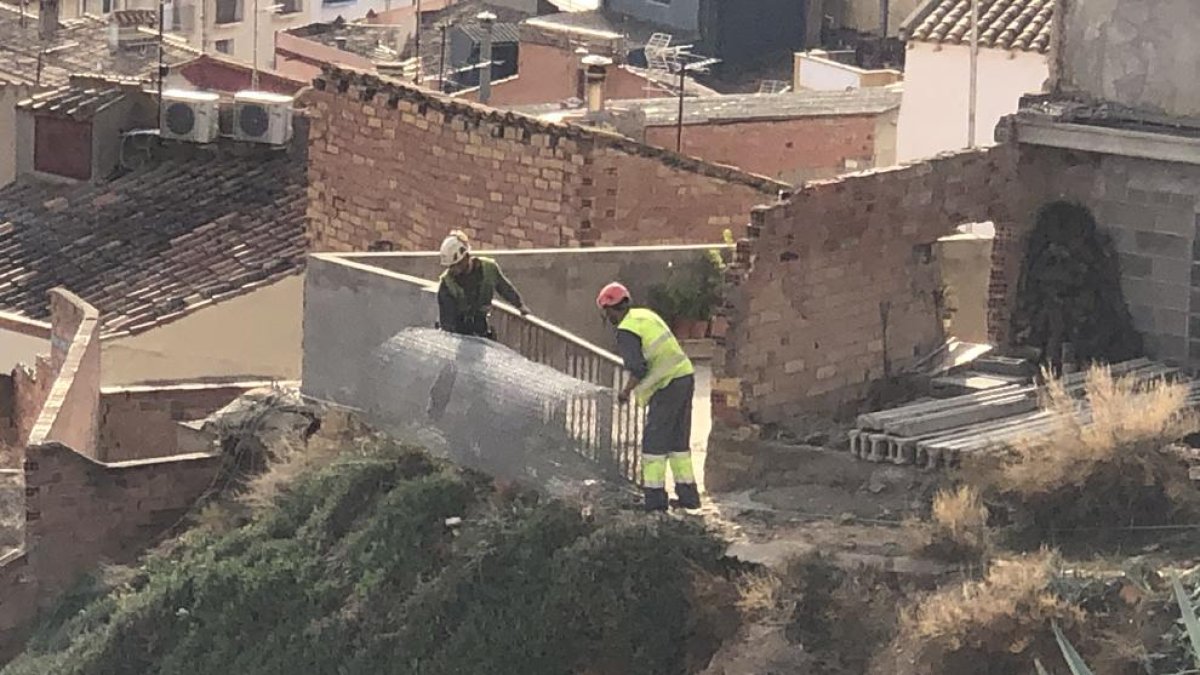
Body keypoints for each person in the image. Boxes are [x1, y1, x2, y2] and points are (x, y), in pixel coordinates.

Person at [596, 282, 701, 512]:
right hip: (684, 375)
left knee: (654, 445)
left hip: (666, 385)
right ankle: (689, 497)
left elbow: (638, 367)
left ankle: (654, 500)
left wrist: (625, 392)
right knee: (678, 442)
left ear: (611, 310)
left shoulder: (626, 330)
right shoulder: (645, 315)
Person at [437, 230, 528, 339]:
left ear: (465, 257)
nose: (452, 270)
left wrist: (519, 305)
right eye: (450, 266)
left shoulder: (489, 269)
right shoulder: (447, 284)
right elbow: (447, 321)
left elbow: (504, 288)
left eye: (455, 265)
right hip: (459, 332)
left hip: (481, 328)